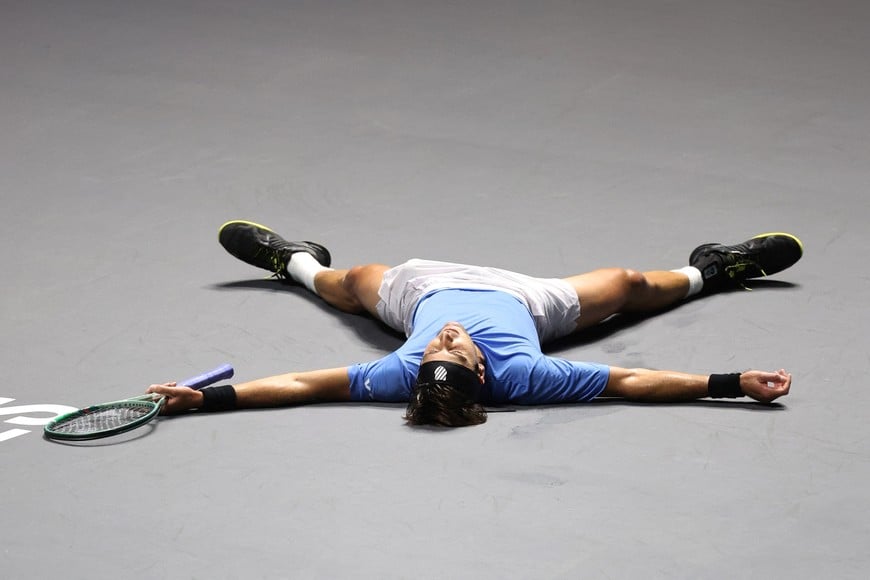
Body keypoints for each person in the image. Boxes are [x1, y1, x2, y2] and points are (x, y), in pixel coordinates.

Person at [147, 220, 801, 426]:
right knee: (626, 285)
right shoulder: (527, 375)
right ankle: (718, 270)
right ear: (484, 370)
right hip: (528, 300)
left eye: (441, 346)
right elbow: (630, 381)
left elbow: (297, 385)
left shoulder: (406, 371)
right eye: (453, 348)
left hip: (423, 288)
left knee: (351, 284)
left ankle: (292, 261)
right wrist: (732, 381)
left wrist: (206, 399)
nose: (445, 337)